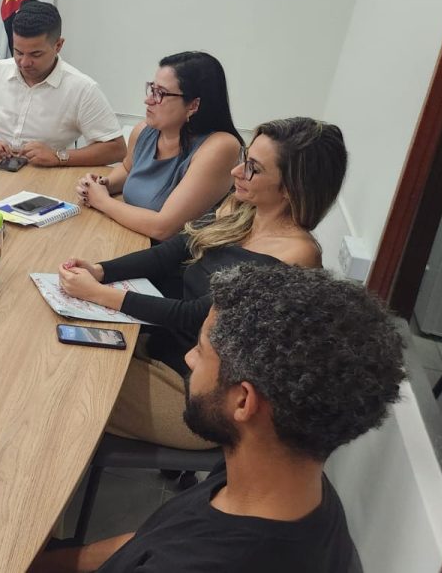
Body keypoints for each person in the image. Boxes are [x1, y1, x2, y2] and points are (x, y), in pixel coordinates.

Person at [32, 264, 405, 572]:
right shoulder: (292, 485)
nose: (190, 360)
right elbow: (144, 542)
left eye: (201, 350)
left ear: (243, 401)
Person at [58, 117, 347, 449]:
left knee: (70, 384)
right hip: (163, 350)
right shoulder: (242, 210)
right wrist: (100, 271)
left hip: (199, 393)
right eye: (244, 159)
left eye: (253, 168)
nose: (236, 172)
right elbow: (170, 252)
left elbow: (195, 315)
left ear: (291, 188)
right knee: (65, 350)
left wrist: (98, 294)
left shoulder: (294, 258)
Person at [76, 52, 243, 241]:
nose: (148, 100)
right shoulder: (144, 131)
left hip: (177, 261)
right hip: (129, 238)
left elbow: (163, 228)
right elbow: (128, 169)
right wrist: (102, 184)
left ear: (193, 105)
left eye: (160, 94)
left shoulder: (220, 147)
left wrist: (102, 201)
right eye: (152, 89)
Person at [0, 0, 125, 167]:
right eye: (18, 52)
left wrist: (58, 157)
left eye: (35, 54)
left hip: (45, 176)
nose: (24, 62)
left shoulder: (82, 89)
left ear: (58, 45)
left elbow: (116, 149)